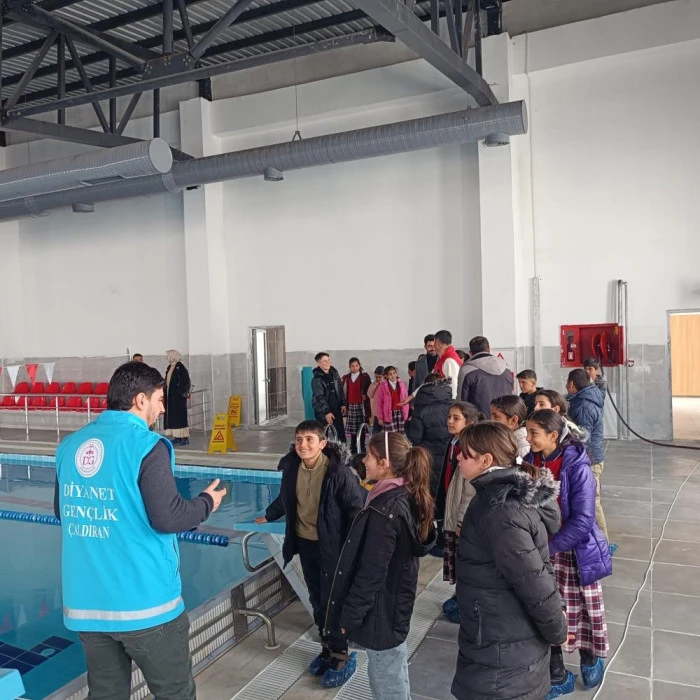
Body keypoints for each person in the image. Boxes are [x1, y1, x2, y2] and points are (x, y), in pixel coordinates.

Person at [54, 361, 226, 700]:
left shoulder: (70, 446)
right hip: (146, 604)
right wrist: (207, 502)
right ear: (140, 400)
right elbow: (169, 518)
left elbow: (63, 512)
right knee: (174, 693)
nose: (163, 408)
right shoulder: (148, 445)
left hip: (88, 607)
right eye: (159, 399)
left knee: (105, 695)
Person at [451, 422, 567, 700]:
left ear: (486, 460)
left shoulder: (502, 512)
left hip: (505, 653)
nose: (458, 457)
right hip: (498, 636)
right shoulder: (492, 498)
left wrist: (557, 629)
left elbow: (533, 581)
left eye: (465, 453)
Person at [325, 432, 436, 700]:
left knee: (386, 676)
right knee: (393, 666)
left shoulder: (386, 509)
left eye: (369, 455)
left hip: (382, 608)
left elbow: (371, 573)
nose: (363, 460)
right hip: (393, 601)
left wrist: (349, 617)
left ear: (384, 463)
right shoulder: (402, 494)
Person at [254, 421, 365, 688]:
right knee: (316, 597)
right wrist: (269, 514)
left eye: (309, 440)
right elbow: (286, 498)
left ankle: (340, 653)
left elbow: (355, 510)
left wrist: (352, 549)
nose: (303, 445)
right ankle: (326, 647)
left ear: (322, 443)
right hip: (305, 544)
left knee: (333, 599)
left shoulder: (338, 473)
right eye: (299, 439)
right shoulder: (292, 468)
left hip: (333, 547)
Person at [525, 410, 612, 697]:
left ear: (553, 435)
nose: (528, 438)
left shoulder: (577, 465)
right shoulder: (531, 460)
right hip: (543, 549)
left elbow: (583, 521)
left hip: (573, 552)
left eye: (534, 433)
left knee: (579, 613)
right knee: (547, 610)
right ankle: (558, 674)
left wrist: (549, 548)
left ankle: (589, 656)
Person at [439, 401, 484, 623]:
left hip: (461, 515)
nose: (450, 421)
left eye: (456, 418)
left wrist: (460, 520)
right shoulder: (453, 442)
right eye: (449, 417)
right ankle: (459, 597)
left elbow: (469, 489)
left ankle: (464, 604)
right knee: (456, 560)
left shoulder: (469, 447)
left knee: (464, 561)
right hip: (452, 507)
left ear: (470, 422)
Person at [566, 369, 608, 542]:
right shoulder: (586, 397)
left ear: (571, 384)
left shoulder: (584, 405)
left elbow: (583, 435)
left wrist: (564, 424)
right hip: (591, 456)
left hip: (590, 459)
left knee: (592, 502)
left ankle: (603, 543)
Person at [406, 373, 452, 496]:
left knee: (430, 488)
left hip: (428, 455)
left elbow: (415, 437)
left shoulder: (420, 409)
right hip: (450, 453)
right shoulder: (454, 405)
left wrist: (407, 424)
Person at [458, 336, 513, 414]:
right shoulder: (506, 368)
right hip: (503, 417)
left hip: (479, 419)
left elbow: (461, 401)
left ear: (470, 353)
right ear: (489, 349)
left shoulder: (466, 370)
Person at [311, 352, 346, 443]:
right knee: (323, 436)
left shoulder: (334, 373)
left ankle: (342, 451)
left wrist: (343, 403)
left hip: (336, 409)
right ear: (319, 363)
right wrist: (326, 412)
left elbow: (340, 389)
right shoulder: (316, 379)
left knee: (340, 435)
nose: (328, 363)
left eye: (328, 360)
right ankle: (324, 451)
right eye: (325, 361)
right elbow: (319, 397)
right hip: (323, 412)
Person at [342, 358, 371, 453]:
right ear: (349, 367)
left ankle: (361, 446)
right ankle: (353, 446)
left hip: (361, 406)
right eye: (352, 366)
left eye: (356, 366)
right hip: (351, 405)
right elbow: (344, 392)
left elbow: (369, 391)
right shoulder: (346, 378)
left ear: (359, 366)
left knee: (361, 427)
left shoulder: (365, 377)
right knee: (353, 429)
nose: (355, 368)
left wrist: (365, 396)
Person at [164, 350, 191, 446]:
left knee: (180, 417)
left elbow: (186, 382)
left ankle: (185, 438)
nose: (167, 357)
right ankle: (177, 437)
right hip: (170, 397)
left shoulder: (180, 367)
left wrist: (180, 392)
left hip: (178, 397)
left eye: (169, 355)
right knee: (173, 417)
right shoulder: (170, 367)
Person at [375, 366, 409, 434]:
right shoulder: (383, 386)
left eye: (394, 373)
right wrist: (380, 417)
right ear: (386, 376)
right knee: (391, 435)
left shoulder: (401, 384)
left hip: (400, 413)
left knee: (400, 436)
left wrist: (406, 413)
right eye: (390, 374)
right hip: (389, 414)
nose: (393, 376)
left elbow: (406, 399)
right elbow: (379, 402)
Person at [433, 330, 464, 399]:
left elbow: (453, 386)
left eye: (434, 342)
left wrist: (453, 403)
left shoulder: (449, 361)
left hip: (448, 401)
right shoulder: (443, 358)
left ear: (438, 343)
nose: (433, 346)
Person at [367, 366, 385, 435]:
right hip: (377, 413)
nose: (378, 379)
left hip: (385, 413)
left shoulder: (387, 384)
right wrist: (374, 385)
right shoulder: (375, 384)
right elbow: (369, 394)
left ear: (384, 376)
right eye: (376, 377)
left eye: (380, 377)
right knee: (375, 432)